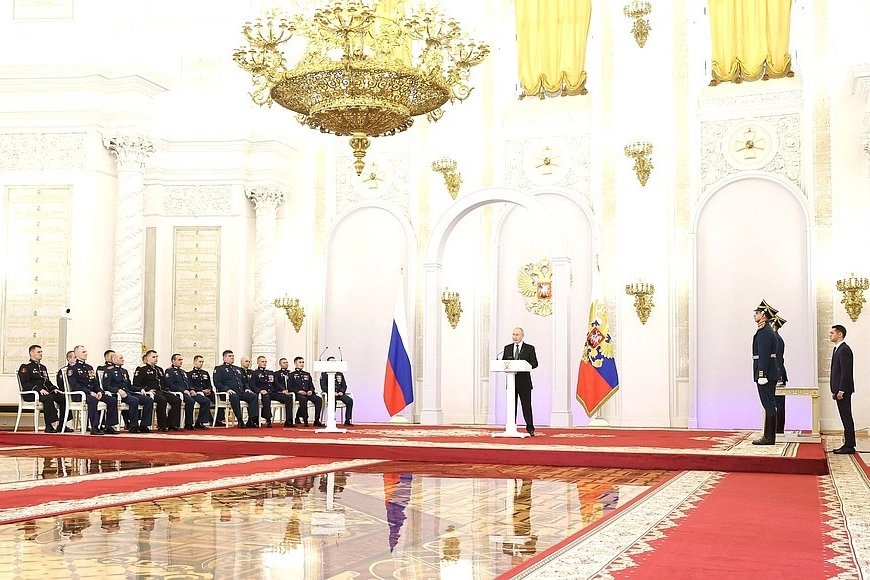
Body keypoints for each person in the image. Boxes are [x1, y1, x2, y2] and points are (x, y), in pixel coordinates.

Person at [67, 345, 120, 435]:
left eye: (86, 352)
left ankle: (109, 426)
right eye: (83, 352)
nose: (86, 354)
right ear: (76, 354)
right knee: (93, 400)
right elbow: (75, 385)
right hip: (80, 394)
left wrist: (99, 391)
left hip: (93, 393)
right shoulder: (72, 368)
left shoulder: (89, 367)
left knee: (112, 400)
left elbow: (95, 383)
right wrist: (90, 392)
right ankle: (94, 427)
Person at [18, 344, 68, 433]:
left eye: (41, 352)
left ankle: (62, 425)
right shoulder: (26, 367)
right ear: (31, 353)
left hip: (44, 392)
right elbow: (25, 383)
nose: (41, 354)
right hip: (32, 393)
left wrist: (54, 388)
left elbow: (47, 382)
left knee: (63, 397)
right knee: (49, 398)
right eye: (38, 352)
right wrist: (38, 389)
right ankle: (49, 426)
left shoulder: (43, 367)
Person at [751, 300, 781, 445]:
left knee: (768, 404)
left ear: (763, 315)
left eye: (757, 313)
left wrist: (762, 374)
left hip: (766, 373)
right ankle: (769, 436)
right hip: (769, 372)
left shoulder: (764, 332)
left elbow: (764, 354)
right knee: (769, 404)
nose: (754, 315)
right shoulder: (765, 330)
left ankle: (769, 437)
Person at [102, 353, 154, 433]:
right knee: (134, 400)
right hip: (118, 395)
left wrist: (140, 389)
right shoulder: (109, 371)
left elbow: (129, 386)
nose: (123, 359)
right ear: (114, 360)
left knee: (148, 400)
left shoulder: (124, 371)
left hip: (128, 392)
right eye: (121, 358)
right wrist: (117, 390)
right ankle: (133, 426)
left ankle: (144, 425)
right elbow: (106, 386)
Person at [133, 350, 182, 432]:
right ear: (147, 358)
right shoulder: (142, 369)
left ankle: (172, 424)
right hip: (152, 392)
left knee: (176, 400)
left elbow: (164, 382)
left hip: (162, 390)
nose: (156, 359)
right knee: (162, 400)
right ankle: (162, 425)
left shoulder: (159, 369)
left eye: (156, 357)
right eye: (153, 357)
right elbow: (136, 383)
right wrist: (147, 389)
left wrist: (168, 390)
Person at [502, 327, 538, 436]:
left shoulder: (529, 348)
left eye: (517, 334)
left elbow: (535, 363)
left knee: (526, 406)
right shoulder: (507, 348)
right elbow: (503, 363)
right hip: (512, 382)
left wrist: (524, 365)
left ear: (522, 336)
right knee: (512, 406)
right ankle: (511, 427)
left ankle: (530, 428)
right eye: (513, 334)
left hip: (524, 382)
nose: (515, 337)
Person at [213, 350, 259, 428]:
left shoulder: (238, 369)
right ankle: (240, 420)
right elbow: (217, 383)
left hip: (240, 392)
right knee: (234, 397)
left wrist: (247, 388)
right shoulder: (219, 369)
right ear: (224, 358)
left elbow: (244, 381)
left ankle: (251, 419)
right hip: (228, 394)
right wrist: (227, 389)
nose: (232, 357)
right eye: (229, 356)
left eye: (233, 356)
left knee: (253, 396)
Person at [165, 354, 212, 430]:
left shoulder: (183, 372)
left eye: (181, 360)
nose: (181, 361)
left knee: (206, 401)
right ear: (173, 361)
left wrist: (192, 389)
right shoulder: (170, 371)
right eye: (179, 360)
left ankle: (200, 422)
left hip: (188, 392)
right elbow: (170, 385)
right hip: (179, 393)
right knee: (190, 401)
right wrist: (183, 390)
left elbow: (188, 383)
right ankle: (188, 423)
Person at [830, 324, 856, 454]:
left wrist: (841, 390)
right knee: (844, 416)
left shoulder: (844, 349)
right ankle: (848, 443)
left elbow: (846, 372)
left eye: (832, 333)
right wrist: (834, 390)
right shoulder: (837, 349)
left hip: (843, 391)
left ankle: (849, 445)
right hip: (839, 390)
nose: (830, 335)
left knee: (846, 417)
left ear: (840, 334)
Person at [189, 355, 224, 426]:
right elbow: (191, 386)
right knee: (206, 401)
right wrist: (202, 391)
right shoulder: (190, 374)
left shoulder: (205, 373)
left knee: (217, 399)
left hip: (208, 392)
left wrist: (209, 390)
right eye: (199, 361)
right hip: (198, 392)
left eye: (202, 362)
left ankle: (218, 419)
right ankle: (209, 419)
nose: (201, 363)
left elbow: (209, 384)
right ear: (194, 362)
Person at [289, 356, 323, 427]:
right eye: (300, 362)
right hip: (298, 394)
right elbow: (290, 387)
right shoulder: (291, 375)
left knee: (319, 399)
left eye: (303, 362)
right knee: (303, 399)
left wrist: (311, 390)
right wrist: (298, 391)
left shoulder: (307, 374)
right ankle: (305, 420)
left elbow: (311, 386)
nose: (302, 364)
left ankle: (317, 420)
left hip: (308, 393)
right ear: (295, 363)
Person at [319, 356, 354, 426]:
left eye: (334, 362)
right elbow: (323, 387)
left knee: (349, 401)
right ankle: (332, 419)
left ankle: (348, 420)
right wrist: (331, 392)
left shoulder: (340, 374)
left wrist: (342, 391)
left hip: (340, 394)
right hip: (330, 394)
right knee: (332, 402)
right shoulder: (324, 374)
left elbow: (344, 385)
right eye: (331, 362)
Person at [771, 315, 788, 434]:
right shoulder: (777, 338)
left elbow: (777, 360)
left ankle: (778, 429)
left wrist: (778, 376)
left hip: (778, 374)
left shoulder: (776, 339)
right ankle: (777, 428)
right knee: (778, 403)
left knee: (778, 403)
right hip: (778, 373)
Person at [249, 356, 275, 427]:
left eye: (265, 361)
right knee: (266, 398)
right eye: (262, 361)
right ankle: (268, 419)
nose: (264, 363)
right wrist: (260, 391)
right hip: (263, 393)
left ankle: (289, 420)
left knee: (288, 397)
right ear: (258, 362)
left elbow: (276, 384)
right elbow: (252, 385)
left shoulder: (270, 372)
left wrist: (282, 390)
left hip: (272, 392)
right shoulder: (254, 373)